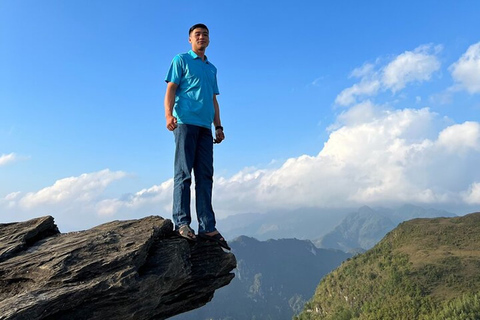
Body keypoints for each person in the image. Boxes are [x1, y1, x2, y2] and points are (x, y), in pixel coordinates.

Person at [164, 23, 230, 250]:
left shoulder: (211, 68)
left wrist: (218, 126)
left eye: (205, 35)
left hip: (205, 127)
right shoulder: (181, 60)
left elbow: (213, 99)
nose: (202, 37)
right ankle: (181, 223)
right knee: (183, 174)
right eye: (197, 35)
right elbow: (171, 88)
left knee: (205, 176)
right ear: (190, 39)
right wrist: (168, 115)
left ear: (209, 40)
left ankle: (207, 227)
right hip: (184, 123)